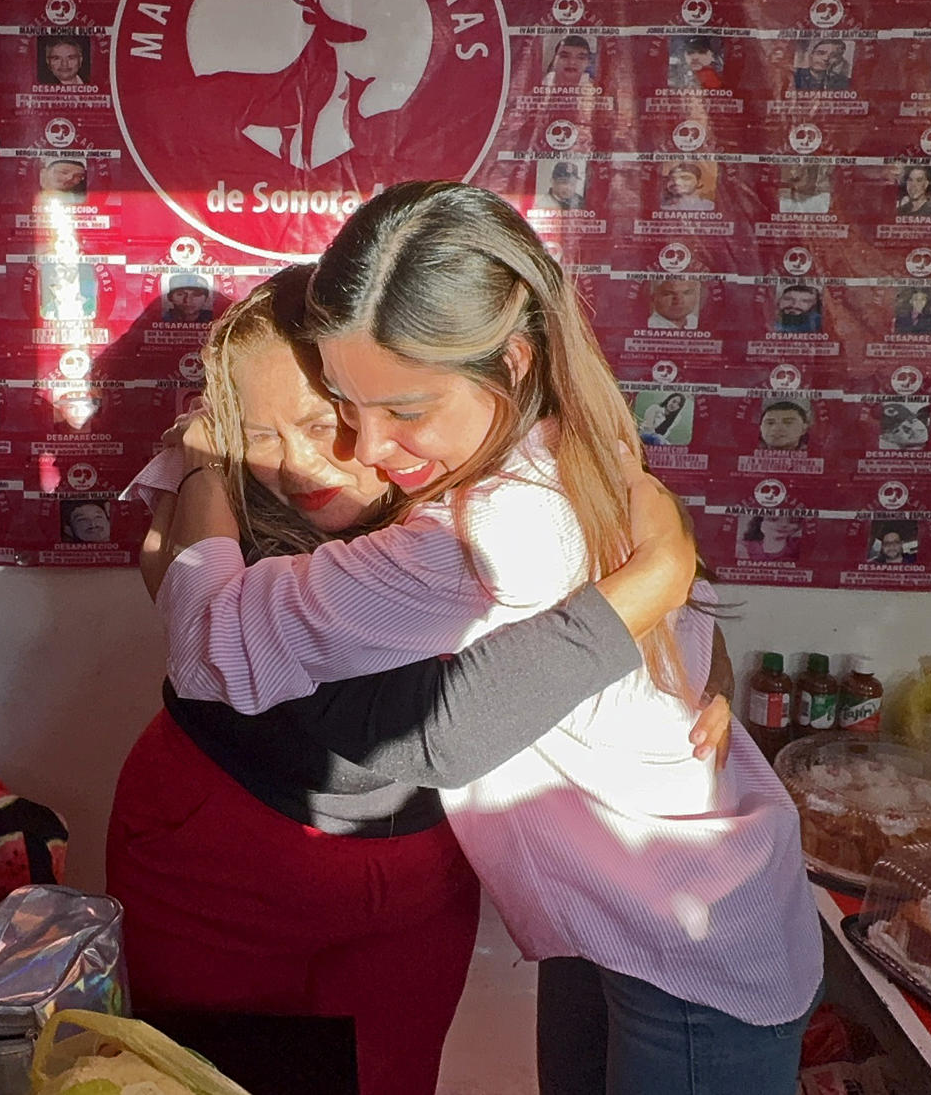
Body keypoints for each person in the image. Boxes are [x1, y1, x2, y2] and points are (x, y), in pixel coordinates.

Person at [123, 253, 744, 1095]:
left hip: (417, 879)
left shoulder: (482, 500)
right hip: (217, 865)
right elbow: (427, 724)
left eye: (328, 421)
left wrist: (707, 674)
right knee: (210, 1080)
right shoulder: (218, 516)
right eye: (261, 436)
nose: (302, 465)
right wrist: (202, 465)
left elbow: (670, 597)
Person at [736, 514, 804, 563]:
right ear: (760, 523)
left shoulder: (798, 546)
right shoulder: (745, 547)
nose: (784, 525)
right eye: (773, 519)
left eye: (793, 521)